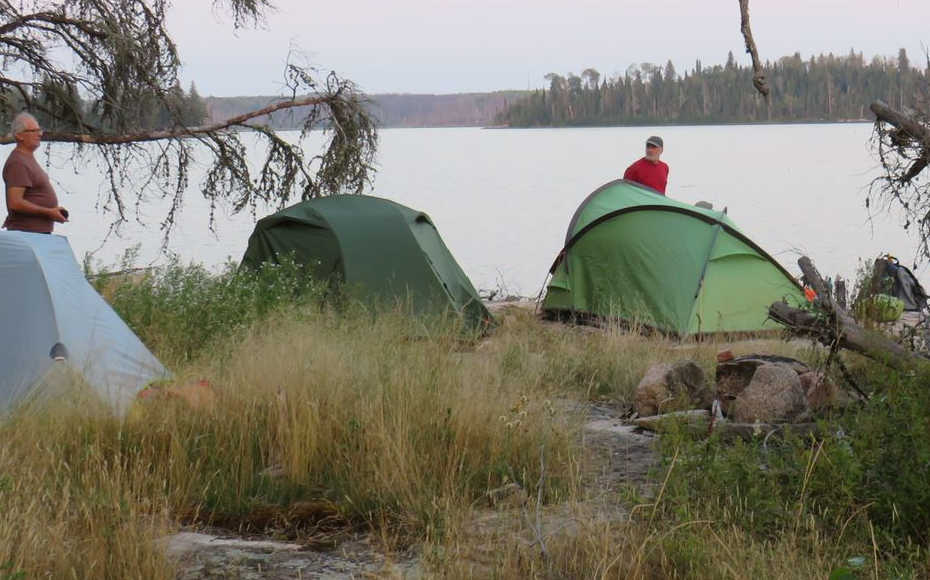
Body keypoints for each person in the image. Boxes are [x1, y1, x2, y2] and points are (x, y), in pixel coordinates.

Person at [3, 112, 68, 233]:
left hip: (37, 234)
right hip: (27, 234)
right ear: (20, 135)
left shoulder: (27, 158)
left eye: (40, 130)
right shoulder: (18, 162)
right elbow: (15, 203)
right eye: (34, 131)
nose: (39, 134)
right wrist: (48, 212)